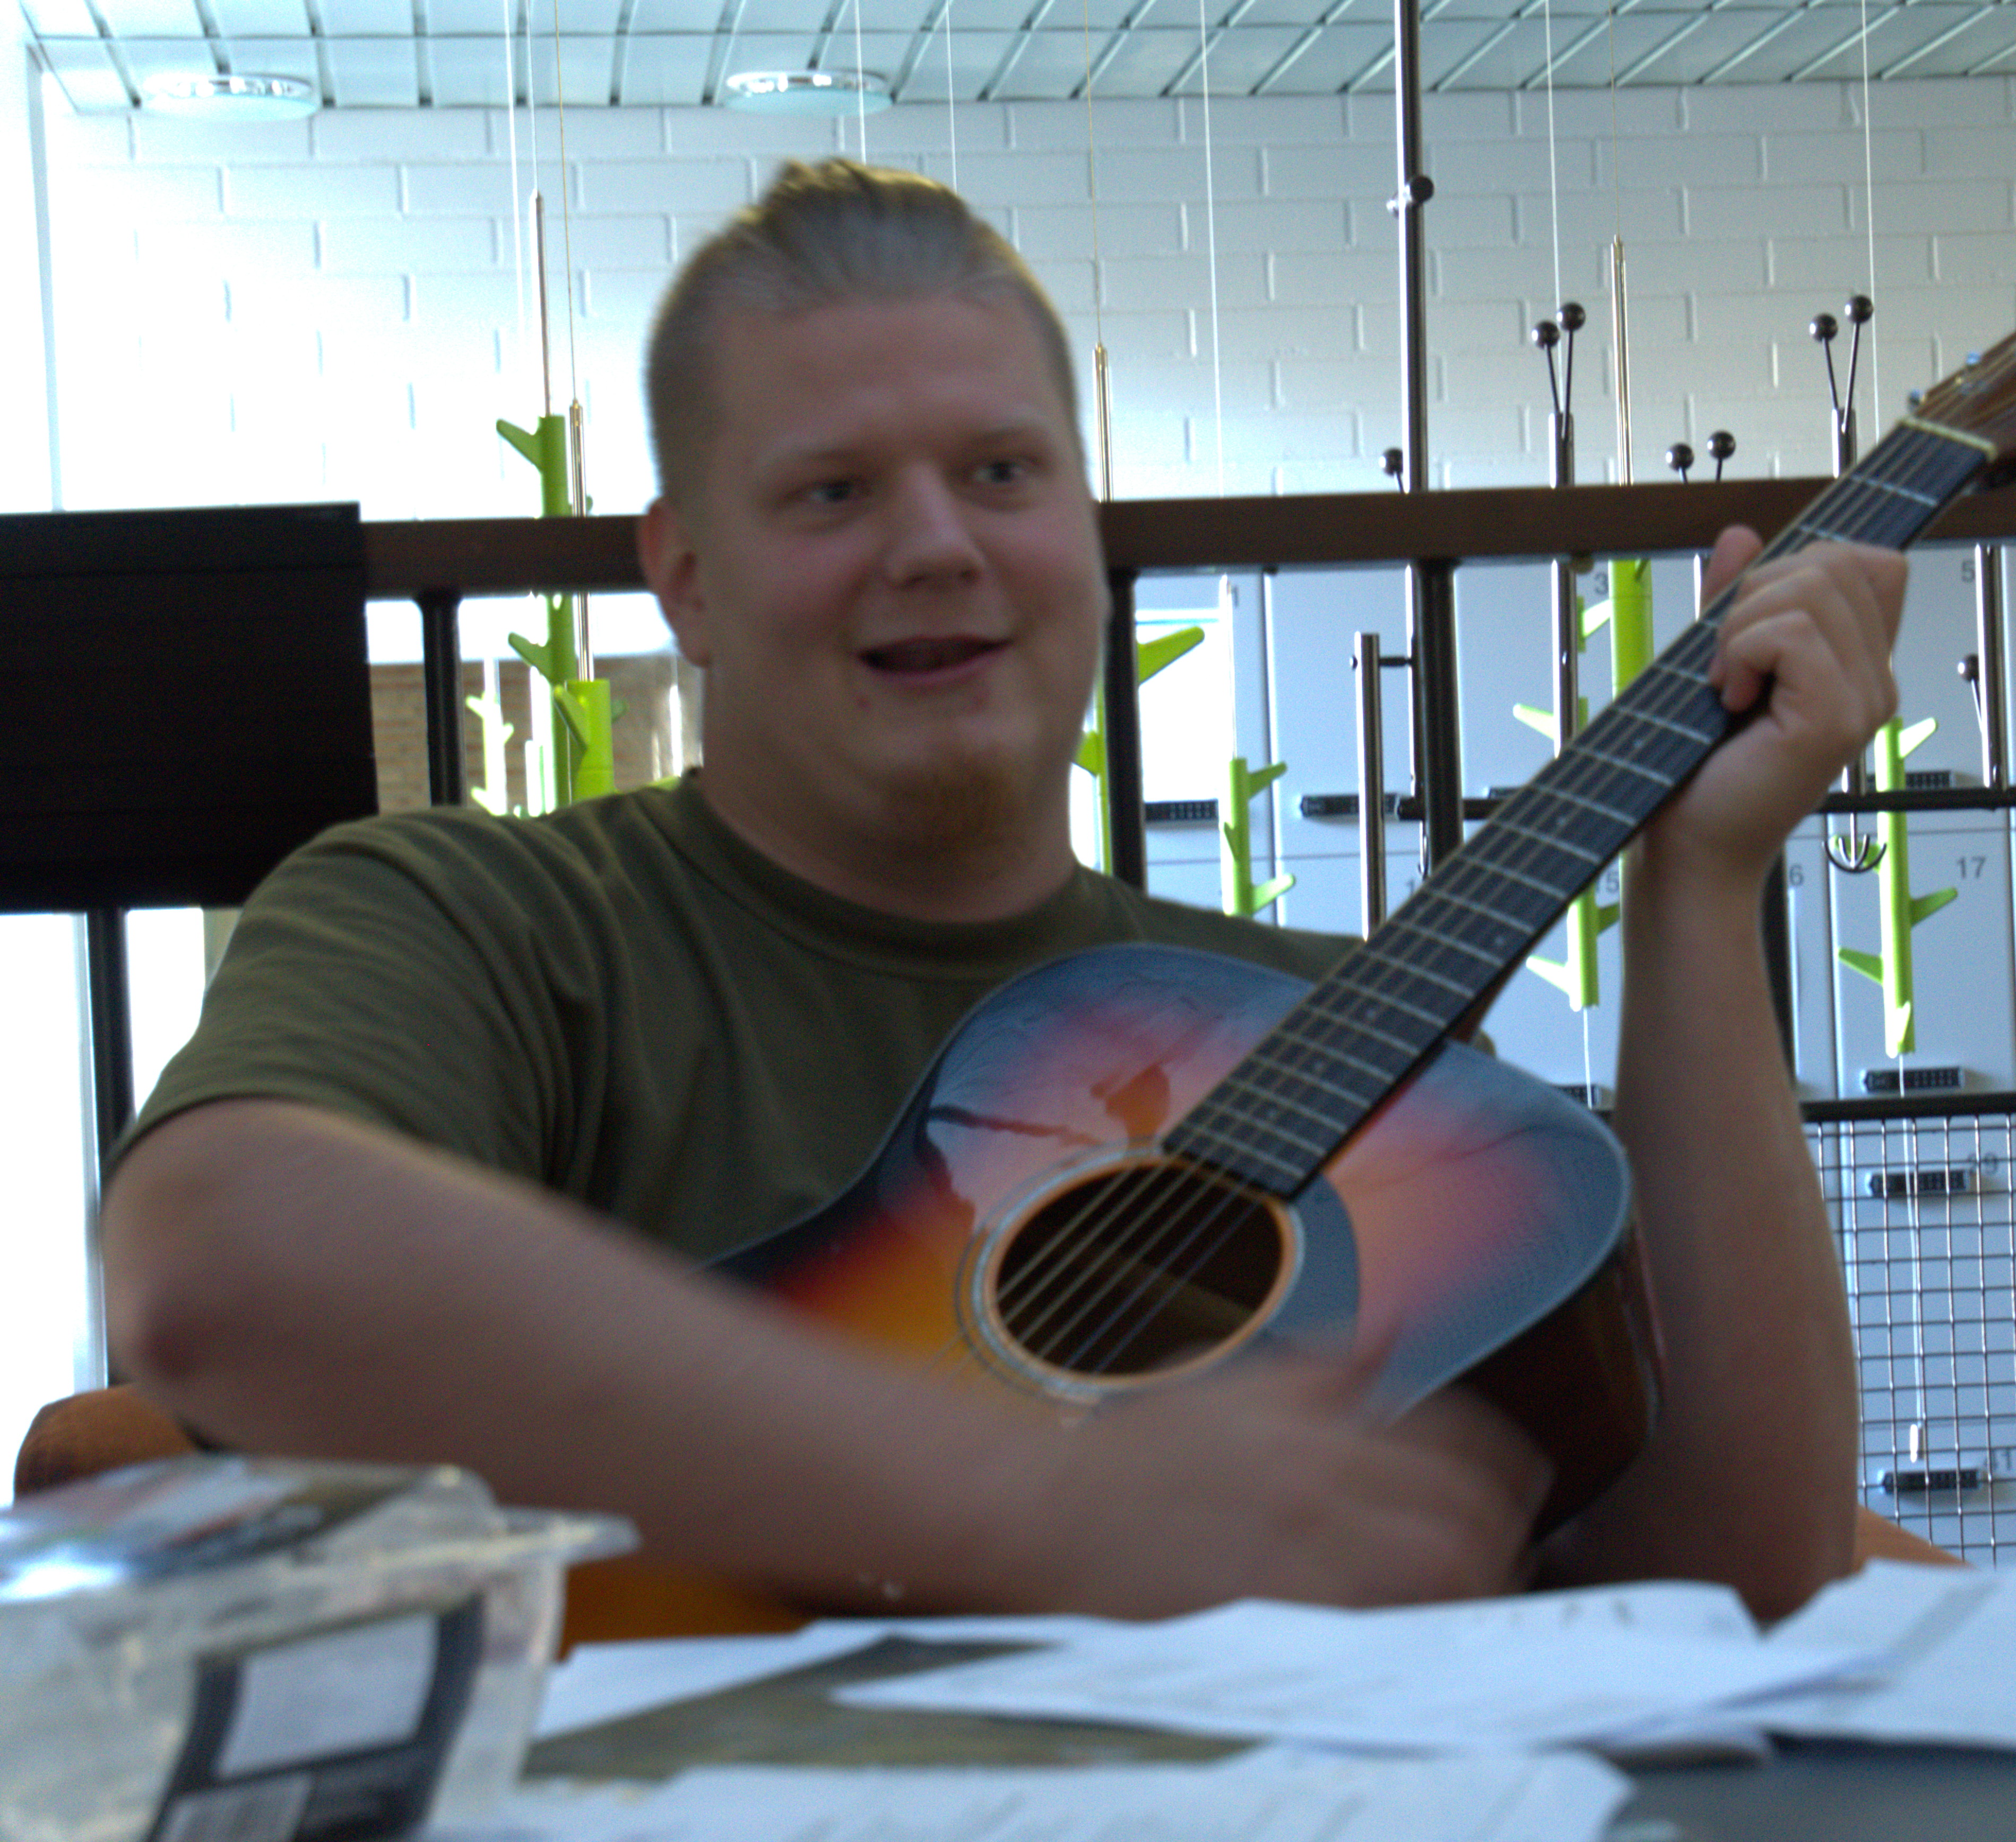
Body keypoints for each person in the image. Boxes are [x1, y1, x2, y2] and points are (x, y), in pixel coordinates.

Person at [100, 159, 1908, 1627]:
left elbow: (1732, 1583)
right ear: (689, 579)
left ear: (1087, 532)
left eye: (1001, 472)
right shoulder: (487, 924)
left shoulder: (1328, 1034)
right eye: (832, 492)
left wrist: (1702, 884)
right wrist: (1030, 1504)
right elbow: (217, 1261)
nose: (937, 543)